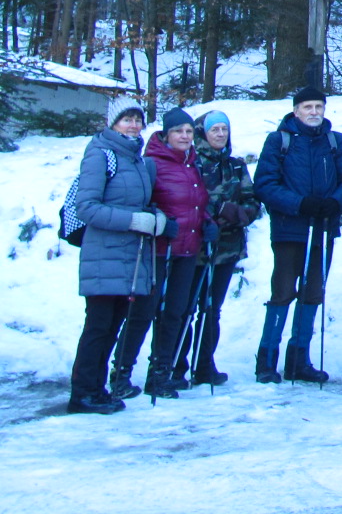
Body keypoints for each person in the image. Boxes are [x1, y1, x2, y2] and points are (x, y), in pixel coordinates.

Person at [253, 84, 342, 385]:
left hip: (323, 228)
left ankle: (299, 358)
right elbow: (264, 184)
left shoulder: (333, 141)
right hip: (290, 229)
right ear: (296, 110)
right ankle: (267, 358)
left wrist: (334, 202)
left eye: (318, 107)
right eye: (308, 108)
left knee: (313, 293)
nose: (314, 113)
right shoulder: (279, 141)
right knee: (283, 292)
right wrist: (300, 204)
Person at [111, 108, 214, 400]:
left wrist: (207, 224)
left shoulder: (194, 164)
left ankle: (160, 374)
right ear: (166, 134)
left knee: (175, 314)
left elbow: (196, 204)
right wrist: (158, 219)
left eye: (189, 132)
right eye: (178, 131)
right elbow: (140, 202)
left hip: (187, 251)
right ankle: (121, 373)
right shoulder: (151, 164)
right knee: (143, 313)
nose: (184, 136)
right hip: (157, 251)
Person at [66, 104, 162, 414]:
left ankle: (96, 389)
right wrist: (133, 221)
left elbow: (140, 202)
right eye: (127, 119)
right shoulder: (100, 154)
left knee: (112, 326)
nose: (134, 125)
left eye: (137, 120)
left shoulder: (135, 158)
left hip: (129, 257)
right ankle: (81, 394)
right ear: (113, 122)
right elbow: (87, 207)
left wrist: (153, 217)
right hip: (104, 255)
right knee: (98, 326)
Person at [176, 110, 262, 387]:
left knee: (212, 309)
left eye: (224, 129)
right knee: (184, 308)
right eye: (215, 129)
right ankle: (176, 365)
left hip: (227, 248)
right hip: (194, 248)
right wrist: (213, 211)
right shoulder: (191, 163)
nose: (221, 134)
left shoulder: (236, 166)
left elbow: (253, 201)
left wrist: (237, 213)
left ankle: (205, 365)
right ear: (203, 132)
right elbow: (186, 198)